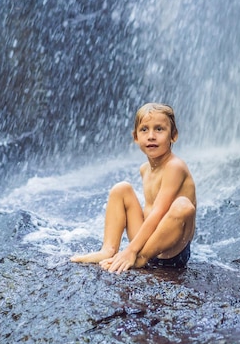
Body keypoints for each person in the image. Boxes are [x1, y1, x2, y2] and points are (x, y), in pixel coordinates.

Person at [70, 102, 196, 273]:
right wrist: (134, 248)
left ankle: (140, 258)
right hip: (147, 243)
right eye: (144, 129)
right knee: (121, 188)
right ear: (136, 137)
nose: (151, 136)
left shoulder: (175, 167)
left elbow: (159, 212)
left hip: (171, 251)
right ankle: (108, 249)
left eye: (159, 129)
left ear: (173, 135)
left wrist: (131, 251)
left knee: (183, 205)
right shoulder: (145, 169)